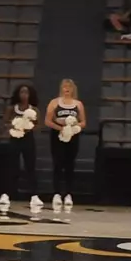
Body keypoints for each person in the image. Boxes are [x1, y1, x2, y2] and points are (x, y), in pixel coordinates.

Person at [0, 84, 43, 212]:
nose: (24, 95)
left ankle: (34, 195)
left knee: (30, 166)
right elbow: (5, 123)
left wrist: (28, 127)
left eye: (26, 92)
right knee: (12, 167)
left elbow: (38, 126)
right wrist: (14, 126)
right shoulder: (11, 109)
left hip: (28, 140)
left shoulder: (34, 110)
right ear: (18, 94)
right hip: (15, 139)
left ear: (30, 95)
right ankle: (6, 194)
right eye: (22, 92)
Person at [45, 78, 86, 209]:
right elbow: (47, 121)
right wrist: (61, 128)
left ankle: (68, 193)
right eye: (64, 87)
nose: (67, 89)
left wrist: (74, 127)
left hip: (73, 136)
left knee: (70, 164)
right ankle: (56, 193)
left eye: (69, 87)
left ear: (73, 89)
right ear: (61, 88)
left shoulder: (78, 104)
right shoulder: (54, 103)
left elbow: (83, 121)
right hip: (57, 135)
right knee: (58, 163)